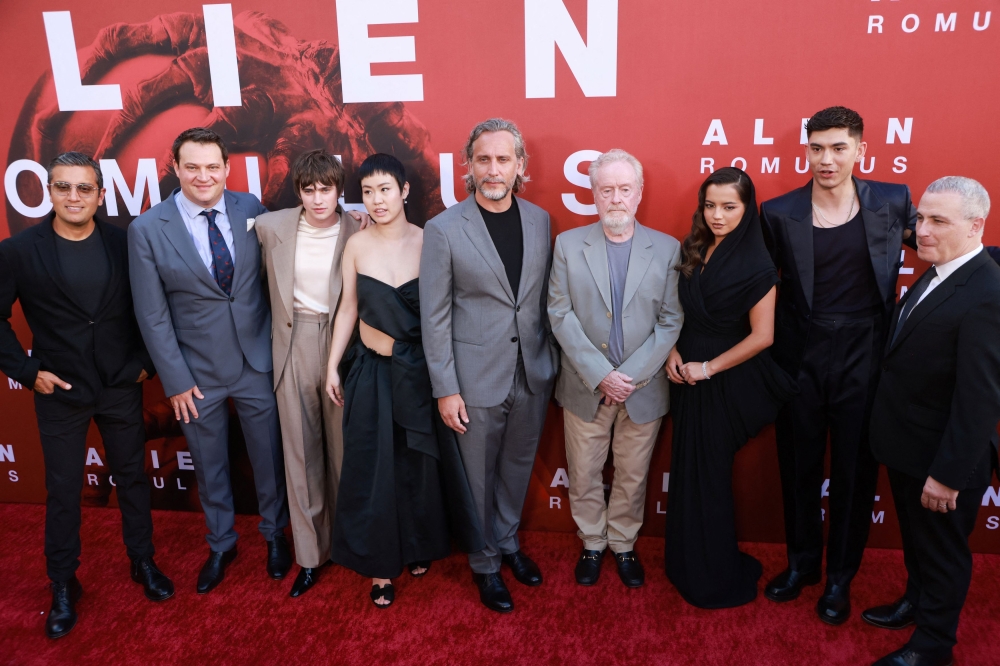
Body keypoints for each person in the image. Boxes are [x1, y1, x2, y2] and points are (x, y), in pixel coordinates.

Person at [0, 152, 171, 639]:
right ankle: (62, 583)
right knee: (62, 492)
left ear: (100, 194)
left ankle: (143, 562)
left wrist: (145, 363)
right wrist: (28, 371)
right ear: (49, 192)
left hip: (120, 385)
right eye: (63, 187)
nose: (73, 197)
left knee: (133, 480)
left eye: (84, 188)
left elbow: (154, 304)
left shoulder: (124, 242)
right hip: (60, 391)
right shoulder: (19, 251)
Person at [760, 106, 917, 624]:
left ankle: (840, 578)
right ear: (806, 150)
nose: (827, 159)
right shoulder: (779, 211)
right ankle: (802, 565)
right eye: (817, 148)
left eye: (838, 147)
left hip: (866, 356)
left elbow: (944, 243)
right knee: (798, 469)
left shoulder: (892, 202)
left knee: (854, 475)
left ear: (860, 150)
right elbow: (757, 284)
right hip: (799, 356)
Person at [128, 127, 291, 594]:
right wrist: (175, 380)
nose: (204, 175)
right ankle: (221, 543)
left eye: (212, 166)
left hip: (256, 361)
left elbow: (289, 254)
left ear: (226, 168)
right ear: (176, 168)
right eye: (192, 167)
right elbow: (151, 313)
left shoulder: (250, 209)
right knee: (209, 464)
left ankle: (273, 535)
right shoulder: (147, 230)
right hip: (195, 375)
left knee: (268, 458)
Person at [420, 118, 558, 613]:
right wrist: (445, 387)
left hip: (532, 372)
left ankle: (507, 544)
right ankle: (484, 564)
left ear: (521, 165)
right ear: (469, 166)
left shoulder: (540, 220)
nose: (494, 169)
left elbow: (540, 301)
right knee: (476, 478)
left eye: (504, 159)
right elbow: (433, 316)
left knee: (517, 469)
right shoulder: (443, 229)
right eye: (484, 159)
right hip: (473, 380)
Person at [326, 153, 475, 608]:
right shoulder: (356, 244)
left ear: (404, 190)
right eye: (368, 191)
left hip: (419, 372)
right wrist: (332, 365)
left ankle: (417, 546)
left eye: (385, 189)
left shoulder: (432, 240)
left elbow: (446, 314)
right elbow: (348, 307)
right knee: (373, 469)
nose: (377, 200)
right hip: (371, 371)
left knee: (417, 466)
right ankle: (378, 566)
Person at [864, 178, 1000, 666]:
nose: (921, 230)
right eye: (920, 218)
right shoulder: (939, 268)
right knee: (919, 543)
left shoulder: (988, 291)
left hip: (942, 460)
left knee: (943, 555)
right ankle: (915, 604)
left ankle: (933, 646)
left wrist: (947, 476)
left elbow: (979, 399)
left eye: (938, 221)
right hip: (906, 447)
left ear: (975, 226)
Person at [547, 149, 682, 588]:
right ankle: (592, 542)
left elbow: (670, 320)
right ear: (594, 194)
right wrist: (602, 374)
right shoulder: (568, 245)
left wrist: (629, 377)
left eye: (625, 189)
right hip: (586, 386)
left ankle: (623, 544)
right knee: (583, 472)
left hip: (643, 390)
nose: (616, 199)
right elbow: (559, 313)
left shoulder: (666, 248)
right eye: (607, 190)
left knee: (633, 474)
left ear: (639, 194)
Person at [664, 168, 795, 608]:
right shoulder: (695, 246)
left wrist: (708, 369)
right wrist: (672, 352)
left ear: (747, 208)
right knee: (687, 470)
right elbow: (675, 311)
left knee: (710, 477)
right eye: (710, 205)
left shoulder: (757, 263)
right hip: (684, 373)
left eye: (729, 207)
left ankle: (712, 574)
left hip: (721, 380)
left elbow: (764, 336)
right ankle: (685, 560)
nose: (717, 215)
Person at [255, 150, 362, 597]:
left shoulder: (359, 227)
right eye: (308, 189)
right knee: (301, 455)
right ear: (298, 191)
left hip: (345, 345)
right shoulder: (270, 227)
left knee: (345, 453)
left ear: (340, 190)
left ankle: (351, 545)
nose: (318, 199)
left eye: (326, 189)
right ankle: (310, 556)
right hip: (294, 339)